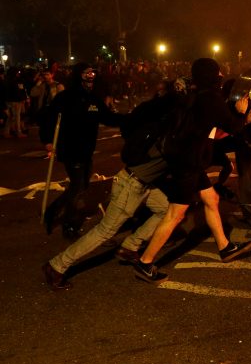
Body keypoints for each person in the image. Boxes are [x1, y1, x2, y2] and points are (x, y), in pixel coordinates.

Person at [41, 86, 183, 291]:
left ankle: (130, 246)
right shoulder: (166, 132)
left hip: (144, 184)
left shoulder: (160, 126)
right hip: (132, 185)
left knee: (165, 209)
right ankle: (56, 266)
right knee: (105, 231)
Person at [133, 58, 251, 284]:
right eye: (218, 72)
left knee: (211, 198)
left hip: (185, 157)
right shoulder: (211, 98)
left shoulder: (195, 95)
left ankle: (225, 246)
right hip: (188, 162)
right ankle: (145, 262)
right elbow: (232, 126)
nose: (221, 75)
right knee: (175, 214)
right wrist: (243, 114)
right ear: (213, 75)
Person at [40, 63, 124, 240]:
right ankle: (69, 224)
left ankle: (53, 211)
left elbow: (107, 117)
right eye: (86, 73)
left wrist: (131, 119)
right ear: (79, 76)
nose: (90, 76)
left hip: (86, 149)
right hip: (70, 147)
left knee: (82, 185)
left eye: (92, 72)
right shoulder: (66, 97)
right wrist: (47, 140)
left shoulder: (94, 98)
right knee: (78, 186)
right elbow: (49, 118)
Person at [3, 67, 29, 138]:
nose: (18, 73)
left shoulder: (6, 80)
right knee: (17, 117)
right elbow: (19, 91)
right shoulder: (16, 81)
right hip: (16, 101)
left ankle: (7, 132)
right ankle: (18, 132)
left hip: (9, 101)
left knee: (11, 117)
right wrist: (24, 98)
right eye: (17, 72)